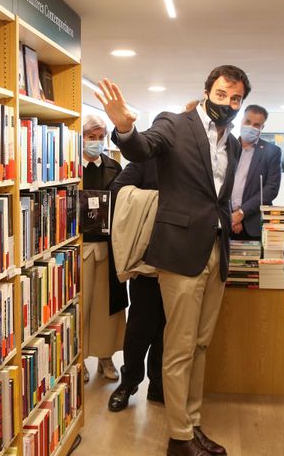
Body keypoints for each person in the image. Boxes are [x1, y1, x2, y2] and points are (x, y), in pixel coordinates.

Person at [95, 64, 250, 456]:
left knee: (199, 346)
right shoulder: (175, 124)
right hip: (179, 254)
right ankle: (179, 438)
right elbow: (142, 148)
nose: (228, 104)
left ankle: (192, 425)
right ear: (206, 92)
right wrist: (125, 129)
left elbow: (217, 198)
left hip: (215, 253)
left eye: (236, 98)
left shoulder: (231, 143)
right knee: (178, 347)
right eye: (222, 95)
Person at [107, 159, 166, 412]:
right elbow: (116, 190)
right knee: (139, 329)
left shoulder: (192, 162)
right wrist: (157, 200)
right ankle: (129, 382)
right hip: (146, 260)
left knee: (169, 330)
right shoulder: (147, 161)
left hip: (180, 261)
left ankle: (159, 385)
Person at [81, 115, 127, 383]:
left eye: (100, 137)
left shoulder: (114, 167)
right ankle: (79, 358)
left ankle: (105, 357)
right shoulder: (69, 167)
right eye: (91, 137)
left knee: (105, 306)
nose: (96, 142)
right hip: (80, 247)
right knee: (83, 305)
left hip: (108, 248)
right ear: (81, 138)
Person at [230, 105, 282, 240]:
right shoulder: (227, 147)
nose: (250, 127)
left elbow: (271, 189)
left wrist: (241, 213)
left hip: (253, 224)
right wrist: (231, 215)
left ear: (262, 128)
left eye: (256, 125)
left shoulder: (272, 152)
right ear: (241, 121)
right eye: (247, 122)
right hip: (225, 221)